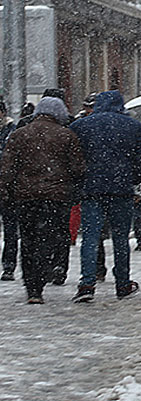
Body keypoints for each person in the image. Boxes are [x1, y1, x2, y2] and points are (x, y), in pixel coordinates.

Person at [70, 90, 141, 302]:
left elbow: (70, 154)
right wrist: (133, 178)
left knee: (90, 237)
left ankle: (87, 283)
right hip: (121, 189)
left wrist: (80, 180)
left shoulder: (82, 126)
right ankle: (122, 283)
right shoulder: (133, 126)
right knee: (120, 238)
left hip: (91, 189)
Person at [0, 97, 83, 304]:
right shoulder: (66, 136)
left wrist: (7, 194)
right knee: (49, 238)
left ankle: (32, 287)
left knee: (28, 240)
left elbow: (7, 169)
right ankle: (42, 274)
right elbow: (78, 168)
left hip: (26, 197)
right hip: (56, 198)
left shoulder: (19, 135)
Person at [0, 101, 20, 281]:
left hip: (7, 188)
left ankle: (9, 266)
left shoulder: (12, 132)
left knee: (10, 230)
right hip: (8, 186)